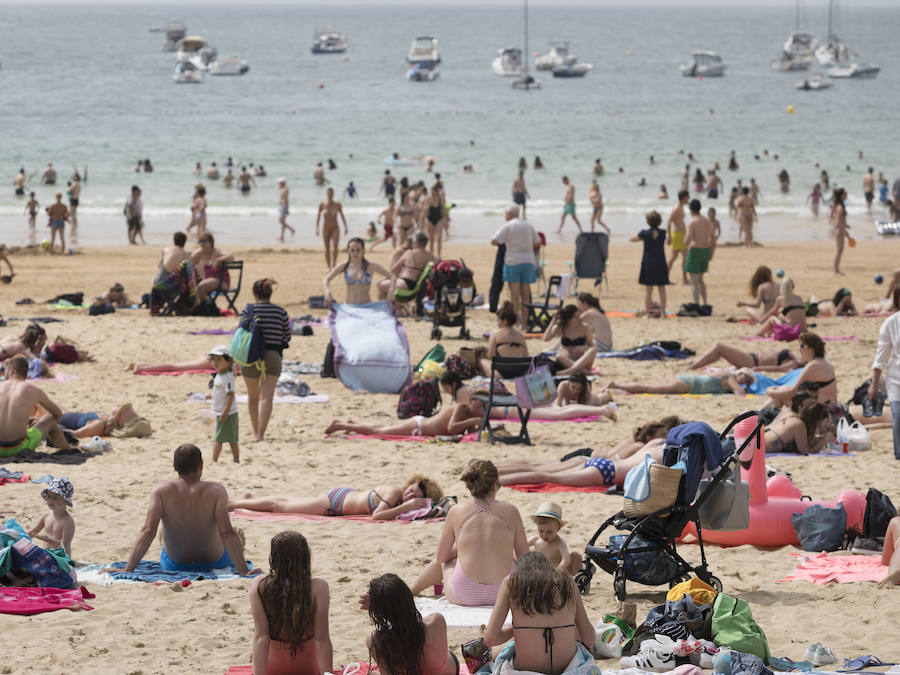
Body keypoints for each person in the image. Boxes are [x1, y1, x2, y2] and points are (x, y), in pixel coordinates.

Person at [114, 444, 254, 575]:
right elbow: (227, 533)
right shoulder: (216, 490)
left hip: (176, 565)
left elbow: (148, 530)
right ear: (201, 465)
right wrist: (244, 571)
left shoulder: (161, 490)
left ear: (174, 467)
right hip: (215, 563)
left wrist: (128, 569)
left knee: (162, 535)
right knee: (226, 532)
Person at [410, 460, 528, 606]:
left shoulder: (456, 511)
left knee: (449, 562)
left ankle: (411, 590)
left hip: (464, 595)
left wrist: (464, 547)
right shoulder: (511, 510)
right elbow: (525, 558)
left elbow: (441, 557)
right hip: (505, 595)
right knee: (513, 560)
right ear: (494, 485)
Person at [484, 552, 596, 674]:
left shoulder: (511, 583)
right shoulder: (568, 582)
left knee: (505, 650)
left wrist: (516, 631)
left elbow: (490, 639)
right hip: (568, 670)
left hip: (526, 671)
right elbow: (589, 638)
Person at [250, 532, 333, 674]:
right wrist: (328, 673)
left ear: (274, 558)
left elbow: (261, 637)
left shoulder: (260, 585)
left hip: (273, 670)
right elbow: (322, 639)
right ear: (305, 557)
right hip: (308, 670)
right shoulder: (318, 588)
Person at [363, 574, 458, 675]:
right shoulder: (436, 621)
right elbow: (409, 626)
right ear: (408, 597)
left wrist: (379, 609)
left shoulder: (375, 640)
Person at [230, 475, 441, 520]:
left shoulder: (398, 499)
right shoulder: (395, 491)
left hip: (341, 499)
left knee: (287, 501)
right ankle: (236, 504)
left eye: (416, 495)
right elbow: (377, 516)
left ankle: (250, 498)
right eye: (411, 489)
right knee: (280, 507)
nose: (409, 494)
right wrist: (406, 507)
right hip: (336, 502)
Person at [240, 279, 290, 442]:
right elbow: (287, 336)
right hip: (273, 356)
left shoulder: (248, 310)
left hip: (251, 357)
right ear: (270, 293)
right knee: (267, 397)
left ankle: (255, 431)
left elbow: (241, 334)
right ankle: (261, 434)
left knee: (253, 397)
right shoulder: (280, 312)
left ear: (254, 294)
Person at [0, 355, 77, 457]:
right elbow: (57, 413)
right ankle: (65, 449)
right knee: (51, 418)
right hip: (19, 448)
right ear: (26, 372)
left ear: (11, 371)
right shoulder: (33, 389)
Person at [491, 204, 540, 325]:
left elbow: (494, 241)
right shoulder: (528, 225)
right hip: (528, 261)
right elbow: (538, 242)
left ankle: (513, 323)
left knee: (515, 296)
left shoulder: (508, 225)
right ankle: (524, 323)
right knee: (525, 295)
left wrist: (508, 243)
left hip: (513, 261)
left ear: (509, 214)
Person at [764, 332, 838, 408]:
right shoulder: (824, 362)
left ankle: (756, 416)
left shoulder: (813, 366)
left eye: (802, 346)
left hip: (821, 411)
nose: (799, 349)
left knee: (779, 397)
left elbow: (791, 392)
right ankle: (756, 415)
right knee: (784, 389)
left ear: (811, 349)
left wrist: (770, 392)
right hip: (830, 407)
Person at [323, 237, 394, 306]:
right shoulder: (344, 266)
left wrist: (391, 291)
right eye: (352, 250)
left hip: (367, 307)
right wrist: (327, 291)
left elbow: (392, 277)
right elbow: (326, 279)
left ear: (363, 250)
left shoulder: (371, 266)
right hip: (349, 306)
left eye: (358, 250)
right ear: (348, 251)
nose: (355, 253)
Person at [870, 307, 900, 461]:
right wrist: (874, 385)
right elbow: (881, 357)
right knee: (897, 417)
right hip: (896, 379)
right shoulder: (891, 323)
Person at [609, 367, 755, 396]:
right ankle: (617, 385)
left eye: (747, 382)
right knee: (651, 388)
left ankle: (618, 387)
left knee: (653, 388)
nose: (743, 382)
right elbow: (740, 392)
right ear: (740, 373)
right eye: (745, 378)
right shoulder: (730, 377)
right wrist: (746, 388)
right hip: (690, 383)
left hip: (690, 384)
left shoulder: (729, 378)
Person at [631, 210, 669, 318]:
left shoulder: (644, 233)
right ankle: (663, 313)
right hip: (661, 262)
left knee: (648, 291)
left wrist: (642, 238)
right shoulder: (663, 233)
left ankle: (647, 314)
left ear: (648, 222)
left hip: (649, 263)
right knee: (662, 290)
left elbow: (632, 239)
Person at [149, 232, 197, 315]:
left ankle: (156, 306)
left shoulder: (165, 250)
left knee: (154, 278)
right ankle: (178, 306)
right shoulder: (186, 255)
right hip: (172, 286)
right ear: (185, 242)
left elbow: (159, 266)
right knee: (185, 285)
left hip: (157, 284)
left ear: (174, 240)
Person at [528, 502, 582, 575]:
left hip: (556, 573)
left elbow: (566, 558)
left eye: (549, 532)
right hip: (540, 572)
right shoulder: (535, 540)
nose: (544, 535)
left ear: (558, 528)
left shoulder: (559, 543)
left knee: (576, 556)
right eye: (541, 531)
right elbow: (520, 545)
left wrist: (559, 569)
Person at [542, 304, 596, 376]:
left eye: (579, 316)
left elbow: (591, 345)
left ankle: (571, 371)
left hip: (582, 361)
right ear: (568, 318)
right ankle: (583, 372)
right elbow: (546, 338)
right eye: (576, 317)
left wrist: (583, 347)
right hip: (567, 362)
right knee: (559, 357)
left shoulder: (584, 327)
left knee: (593, 350)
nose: (579, 318)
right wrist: (553, 320)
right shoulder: (561, 327)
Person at [27, 477, 76, 556]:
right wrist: (18, 538)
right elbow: (33, 532)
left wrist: (47, 539)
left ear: (66, 501)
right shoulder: (46, 516)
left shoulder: (67, 521)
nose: (50, 500)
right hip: (47, 555)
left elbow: (64, 545)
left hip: (61, 558)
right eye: (49, 496)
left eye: (55, 497)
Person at [763, 398, 831, 454]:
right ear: (817, 420)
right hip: (757, 447)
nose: (823, 426)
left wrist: (820, 438)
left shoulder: (795, 419)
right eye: (823, 423)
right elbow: (806, 451)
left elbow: (806, 441)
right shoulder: (799, 425)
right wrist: (824, 440)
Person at [207, 346, 239, 463]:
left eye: (219, 359)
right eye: (213, 359)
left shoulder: (227, 377)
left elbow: (231, 395)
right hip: (219, 412)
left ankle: (214, 460)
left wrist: (225, 412)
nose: (216, 362)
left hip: (227, 413)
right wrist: (210, 396)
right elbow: (220, 392)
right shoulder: (219, 375)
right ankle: (235, 460)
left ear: (228, 361)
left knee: (222, 439)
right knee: (230, 438)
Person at [380, 231, 437, 297]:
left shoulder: (409, 253)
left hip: (405, 283)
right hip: (420, 287)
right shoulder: (431, 256)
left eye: (413, 241)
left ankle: (386, 307)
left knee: (380, 285)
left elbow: (394, 270)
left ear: (416, 242)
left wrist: (385, 278)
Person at [479, 301, 529, 375]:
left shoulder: (495, 334)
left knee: (482, 361)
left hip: (501, 374)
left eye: (498, 320)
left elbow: (490, 356)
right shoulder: (520, 335)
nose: (497, 323)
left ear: (505, 321)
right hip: (519, 372)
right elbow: (526, 355)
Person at [689, 342, 801, 372]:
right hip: (752, 357)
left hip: (752, 362)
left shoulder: (793, 364)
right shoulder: (797, 359)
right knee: (719, 352)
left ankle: (693, 366)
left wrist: (758, 369)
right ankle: (696, 362)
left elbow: (778, 369)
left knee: (720, 347)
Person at [683, 199, 713, 307]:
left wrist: (684, 241)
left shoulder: (692, 222)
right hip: (706, 250)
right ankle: (705, 303)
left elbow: (687, 240)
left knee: (694, 281)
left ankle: (696, 303)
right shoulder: (707, 221)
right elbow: (712, 237)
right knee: (701, 280)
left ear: (691, 209)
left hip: (695, 250)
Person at [191, 233, 233, 303]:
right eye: (199, 241)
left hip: (222, 281)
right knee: (192, 287)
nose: (201, 244)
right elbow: (189, 261)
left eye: (203, 241)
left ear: (211, 242)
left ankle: (206, 307)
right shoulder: (199, 253)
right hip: (208, 280)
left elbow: (231, 257)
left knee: (201, 286)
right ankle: (206, 306)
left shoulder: (216, 252)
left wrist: (218, 260)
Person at [57, 403, 141, 438]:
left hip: (59, 419)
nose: (119, 404)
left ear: (117, 416)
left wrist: (54, 429)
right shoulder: (106, 418)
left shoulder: (99, 425)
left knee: (48, 402)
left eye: (121, 407)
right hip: (67, 415)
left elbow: (76, 434)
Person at [316, 187, 347, 269]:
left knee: (335, 248)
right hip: (325, 229)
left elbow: (342, 216)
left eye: (331, 194)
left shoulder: (337, 205)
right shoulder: (322, 205)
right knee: (327, 249)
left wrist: (345, 227)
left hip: (335, 228)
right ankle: (329, 266)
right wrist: (317, 228)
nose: (330, 195)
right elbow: (318, 217)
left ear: (333, 194)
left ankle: (334, 263)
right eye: (328, 194)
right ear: (327, 194)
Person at [666, 190, 689, 284]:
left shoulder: (680, 207)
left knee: (674, 257)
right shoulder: (677, 208)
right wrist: (668, 236)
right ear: (684, 197)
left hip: (680, 235)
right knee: (685, 257)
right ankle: (684, 279)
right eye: (688, 196)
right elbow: (669, 222)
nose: (689, 198)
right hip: (678, 235)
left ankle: (665, 278)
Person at [832, 188, 850, 275]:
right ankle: (836, 270)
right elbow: (838, 220)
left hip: (839, 229)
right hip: (839, 229)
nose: (846, 194)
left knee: (840, 250)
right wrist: (844, 230)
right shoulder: (840, 206)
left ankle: (836, 270)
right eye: (845, 193)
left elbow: (838, 219)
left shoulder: (840, 205)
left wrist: (845, 226)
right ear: (842, 195)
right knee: (839, 250)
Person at [425, 186, 445, 257]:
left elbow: (443, 210)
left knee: (439, 238)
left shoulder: (440, 199)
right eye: (431, 192)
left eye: (433, 192)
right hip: (430, 219)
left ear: (437, 192)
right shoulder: (428, 199)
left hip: (439, 219)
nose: (432, 193)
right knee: (431, 239)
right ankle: (431, 255)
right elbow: (425, 210)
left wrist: (445, 220)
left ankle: (439, 255)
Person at [67, 174, 81, 239]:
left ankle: (74, 225)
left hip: (73, 199)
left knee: (72, 213)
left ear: (76, 177)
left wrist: (67, 189)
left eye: (74, 176)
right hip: (77, 199)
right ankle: (75, 224)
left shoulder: (75, 183)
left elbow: (69, 190)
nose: (73, 177)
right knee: (74, 213)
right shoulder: (79, 184)